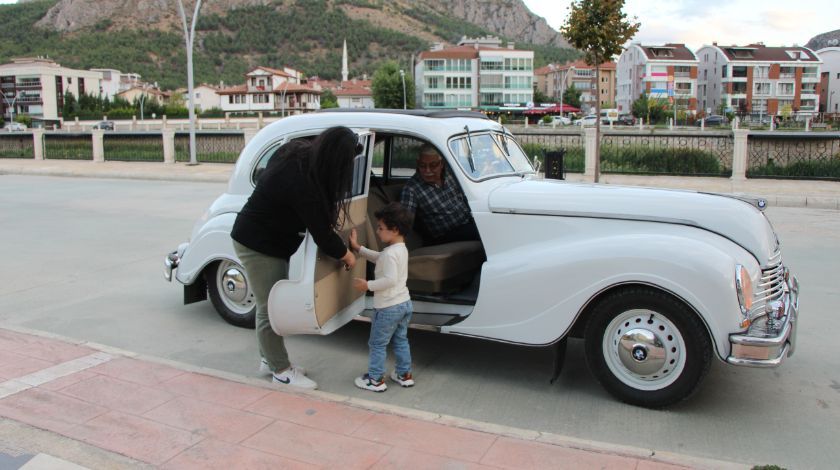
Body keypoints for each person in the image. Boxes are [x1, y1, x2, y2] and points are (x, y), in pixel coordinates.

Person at [231, 126, 359, 390]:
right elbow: (323, 234)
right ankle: (280, 370)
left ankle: (269, 358)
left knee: (270, 303)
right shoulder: (304, 183)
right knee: (270, 308)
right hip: (258, 244)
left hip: (267, 240)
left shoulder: (297, 152)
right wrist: (347, 256)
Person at [348, 202, 414, 392]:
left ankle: (375, 379)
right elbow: (380, 257)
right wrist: (358, 248)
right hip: (404, 304)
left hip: (388, 307)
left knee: (377, 344)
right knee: (401, 340)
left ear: (394, 230)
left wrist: (367, 285)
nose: (377, 231)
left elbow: (390, 279)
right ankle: (404, 374)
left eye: (380, 228)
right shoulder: (400, 249)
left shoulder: (390, 254)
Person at [400, 144, 479, 245]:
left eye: (433, 165)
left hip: (469, 221)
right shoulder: (411, 189)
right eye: (422, 166)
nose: (427, 171)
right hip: (445, 236)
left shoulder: (450, 174)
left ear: (441, 164)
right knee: (484, 231)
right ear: (417, 163)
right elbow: (404, 222)